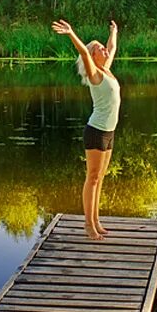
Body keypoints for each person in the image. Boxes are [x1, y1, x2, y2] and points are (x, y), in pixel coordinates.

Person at [51, 18, 120, 239]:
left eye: (102, 47)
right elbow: (84, 52)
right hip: (96, 132)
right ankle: (88, 226)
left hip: (109, 133)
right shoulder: (95, 74)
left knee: (100, 178)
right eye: (99, 48)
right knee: (92, 178)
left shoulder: (106, 70)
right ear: (93, 56)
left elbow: (112, 48)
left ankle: (96, 221)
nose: (104, 49)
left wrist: (113, 32)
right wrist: (71, 33)